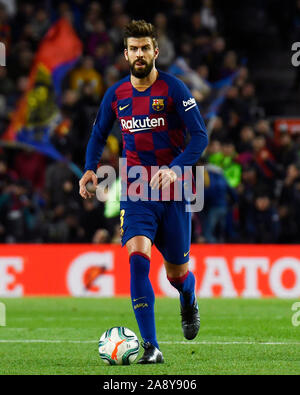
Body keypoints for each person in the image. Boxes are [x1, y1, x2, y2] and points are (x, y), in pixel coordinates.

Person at [79, 20, 208, 364]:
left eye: (144, 48)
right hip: (136, 189)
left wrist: (175, 169)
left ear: (155, 51)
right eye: (133, 48)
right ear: (125, 53)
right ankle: (151, 347)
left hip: (175, 191)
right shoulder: (116, 94)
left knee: (176, 274)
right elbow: (98, 133)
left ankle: (188, 297)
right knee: (137, 260)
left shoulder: (174, 89)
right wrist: (90, 168)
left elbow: (200, 137)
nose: (139, 54)